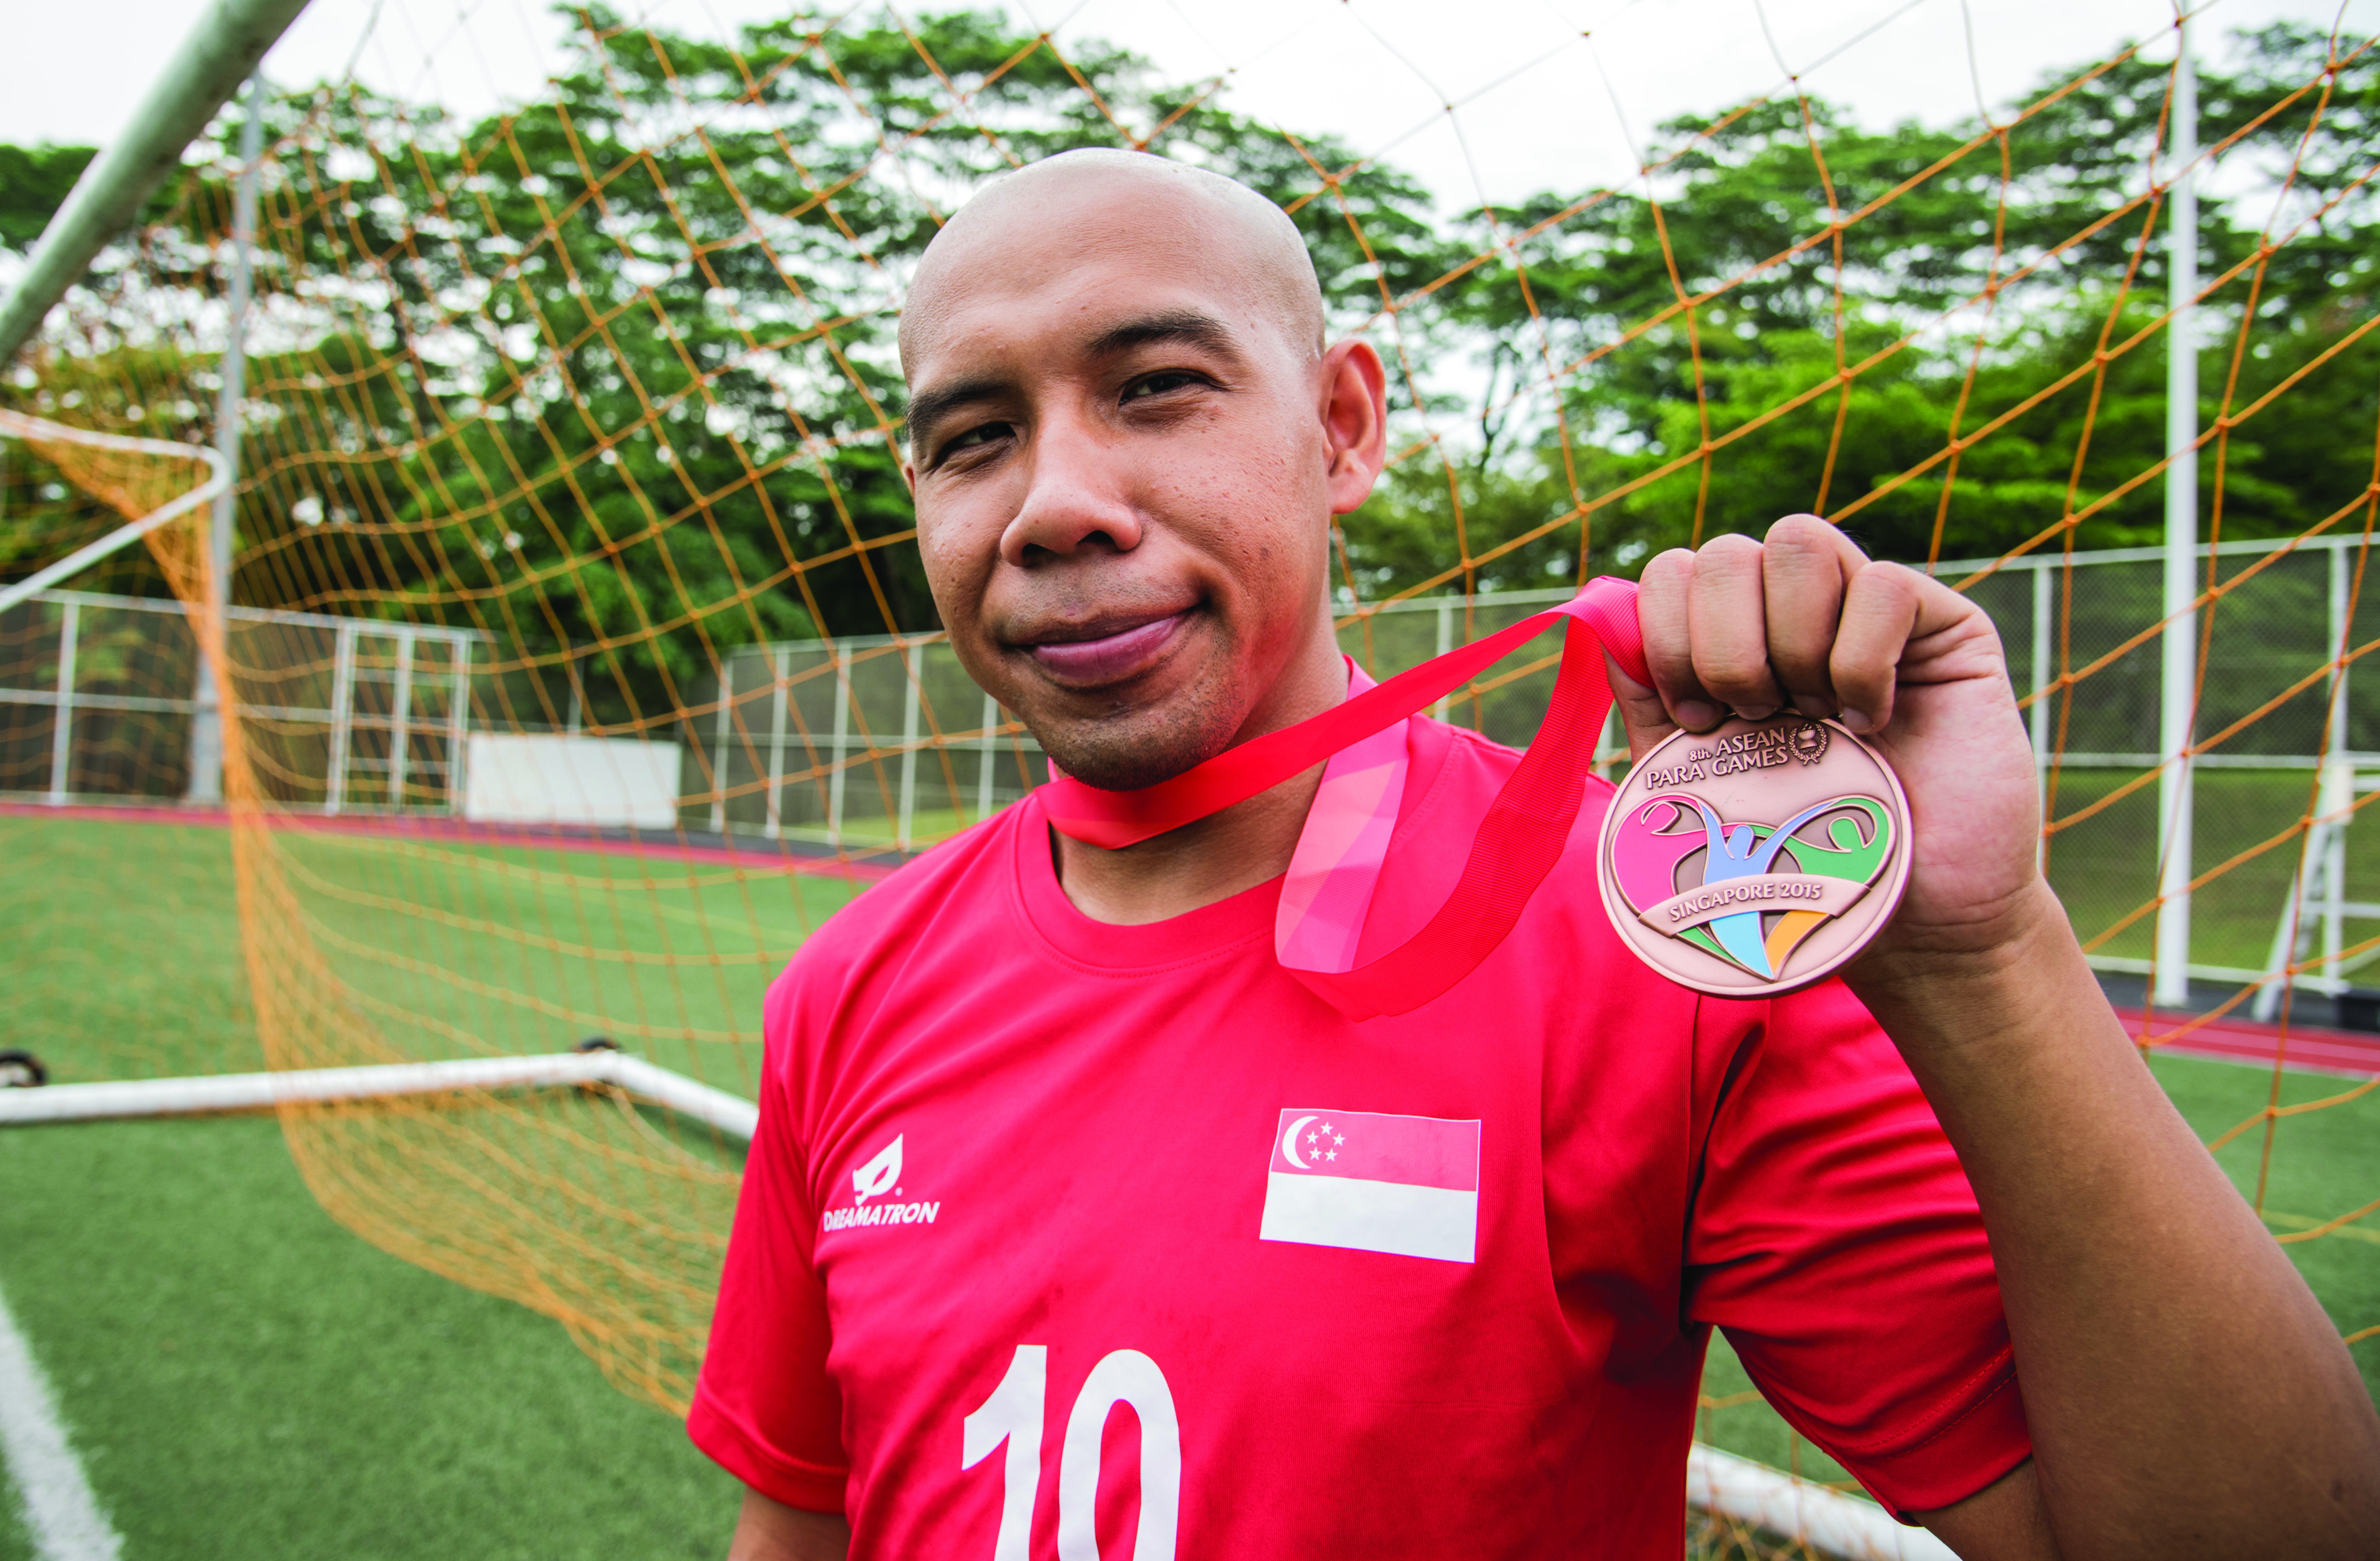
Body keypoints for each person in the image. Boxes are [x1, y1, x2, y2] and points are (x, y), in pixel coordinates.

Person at [688, 149, 2380, 1560]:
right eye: (973, 437)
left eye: (1156, 389)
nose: (1057, 500)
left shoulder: (1668, 946)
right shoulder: (851, 983)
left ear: (1344, 428)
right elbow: (798, 1532)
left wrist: (1978, 954)